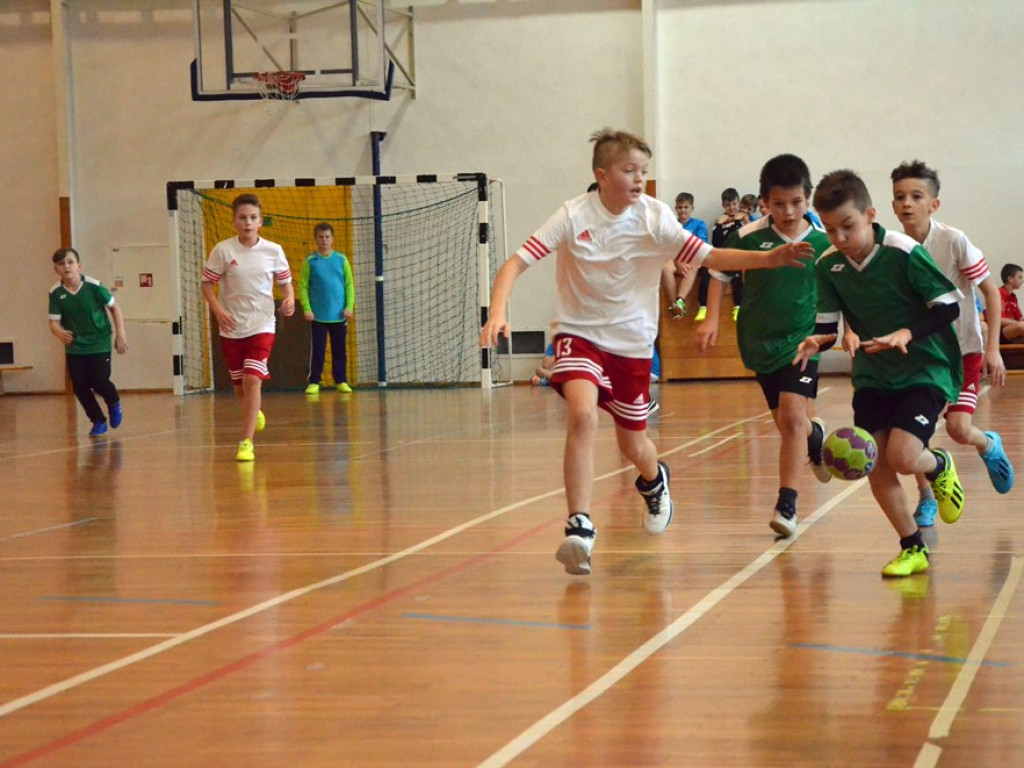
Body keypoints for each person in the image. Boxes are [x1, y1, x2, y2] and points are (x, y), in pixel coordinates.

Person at [479, 128, 813, 576]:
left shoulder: (654, 217)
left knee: (633, 442)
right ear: (601, 175)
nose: (639, 179)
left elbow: (711, 256)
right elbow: (515, 262)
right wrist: (497, 310)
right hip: (579, 333)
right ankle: (579, 523)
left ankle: (654, 481)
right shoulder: (572, 215)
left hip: (632, 342)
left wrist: (768, 260)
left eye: (644, 171)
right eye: (629, 171)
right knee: (582, 415)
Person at [794, 169, 965, 578]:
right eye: (830, 230)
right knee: (878, 464)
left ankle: (938, 465)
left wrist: (907, 331)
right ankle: (912, 546)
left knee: (904, 456)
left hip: (925, 367)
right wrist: (816, 340)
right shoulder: (828, 265)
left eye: (848, 227)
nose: (839, 239)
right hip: (873, 375)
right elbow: (827, 325)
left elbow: (948, 308)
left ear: (870, 215)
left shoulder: (902, 251)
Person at [695, 154, 833, 538]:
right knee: (789, 424)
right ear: (763, 202)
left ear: (809, 199)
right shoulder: (748, 236)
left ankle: (787, 504)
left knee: (791, 419)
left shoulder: (823, 242)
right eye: (778, 203)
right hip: (758, 340)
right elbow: (718, 274)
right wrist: (710, 319)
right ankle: (815, 437)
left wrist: (848, 329)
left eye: (797, 202)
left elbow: (840, 288)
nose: (788, 211)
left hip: (805, 339)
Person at [889, 160, 1013, 526]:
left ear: (934, 204)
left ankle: (987, 444)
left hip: (963, 351)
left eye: (916, 196)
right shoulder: (891, 247)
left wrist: (993, 350)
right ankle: (927, 497)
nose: (907, 203)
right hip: (920, 354)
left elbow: (990, 293)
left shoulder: (953, 240)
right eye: (899, 197)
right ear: (892, 205)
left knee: (959, 429)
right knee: (915, 431)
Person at [201, 193, 295, 462]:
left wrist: (288, 298)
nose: (248, 222)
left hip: (262, 324)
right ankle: (254, 411)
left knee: (253, 379)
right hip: (232, 327)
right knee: (240, 387)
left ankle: (246, 442)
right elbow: (207, 285)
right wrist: (218, 310)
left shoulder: (273, 251)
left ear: (261, 222)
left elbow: (285, 282)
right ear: (234, 221)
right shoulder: (223, 250)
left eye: (253, 218)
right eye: (242, 218)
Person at [48, 247, 128, 437]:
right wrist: (59, 333)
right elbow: (53, 322)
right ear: (56, 270)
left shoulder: (94, 286)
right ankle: (98, 420)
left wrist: (120, 334)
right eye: (61, 264)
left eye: (70, 262)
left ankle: (114, 402)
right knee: (80, 386)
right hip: (75, 346)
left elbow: (115, 308)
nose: (66, 266)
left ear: (79, 266)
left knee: (99, 381)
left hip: (99, 342)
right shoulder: (56, 292)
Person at [299, 222, 355, 394]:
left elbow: (349, 285)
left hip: (339, 315)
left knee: (339, 350)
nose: (324, 240)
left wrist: (349, 306)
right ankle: (315, 381)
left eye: (327, 237)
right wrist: (307, 308)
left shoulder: (341, 260)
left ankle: (341, 381)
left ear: (332, 239)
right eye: (321, 237)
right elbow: (303, 286)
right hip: (318, 316)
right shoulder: (310, 261)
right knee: (318, 350)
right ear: (315, 239)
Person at [701, 187, 746, 322]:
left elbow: (738, 237)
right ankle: (703, 305)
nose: (731, 208)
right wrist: (720, 225)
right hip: (722, 254)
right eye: (728, 205)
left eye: (734, 204)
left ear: (738, 203)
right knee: (705, 270)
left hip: (739, 255)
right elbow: (716, 241)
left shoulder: (744, 219)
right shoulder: (720, 220)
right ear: (723, 206)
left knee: (737, 273)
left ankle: (738, 305)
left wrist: (737, 222)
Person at [661, 192, 707, 319]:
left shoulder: (699, 224)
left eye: (686, 207)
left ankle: (680, 300)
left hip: (692, 257)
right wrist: (677, 260)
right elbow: (666, 246)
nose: (683, 210)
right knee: (666, 268)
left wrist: (683, 259)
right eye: (680, 207)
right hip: (674, 258)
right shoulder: (671, 224)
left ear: (692, 208)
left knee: (692, 266)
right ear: (675, 208)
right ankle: (675, 305)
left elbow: (700, 246)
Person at [998, 263, 1024, 342]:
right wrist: (1016, 323)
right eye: (1019, 277)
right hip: (1001, 331)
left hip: (1014, 328)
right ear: (1010, 278)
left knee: (1021, 325)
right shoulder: (997, 294)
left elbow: (1020, 318)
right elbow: (998, 320)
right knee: (1021, 326)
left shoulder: (1013, 297)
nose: (1022, 280)